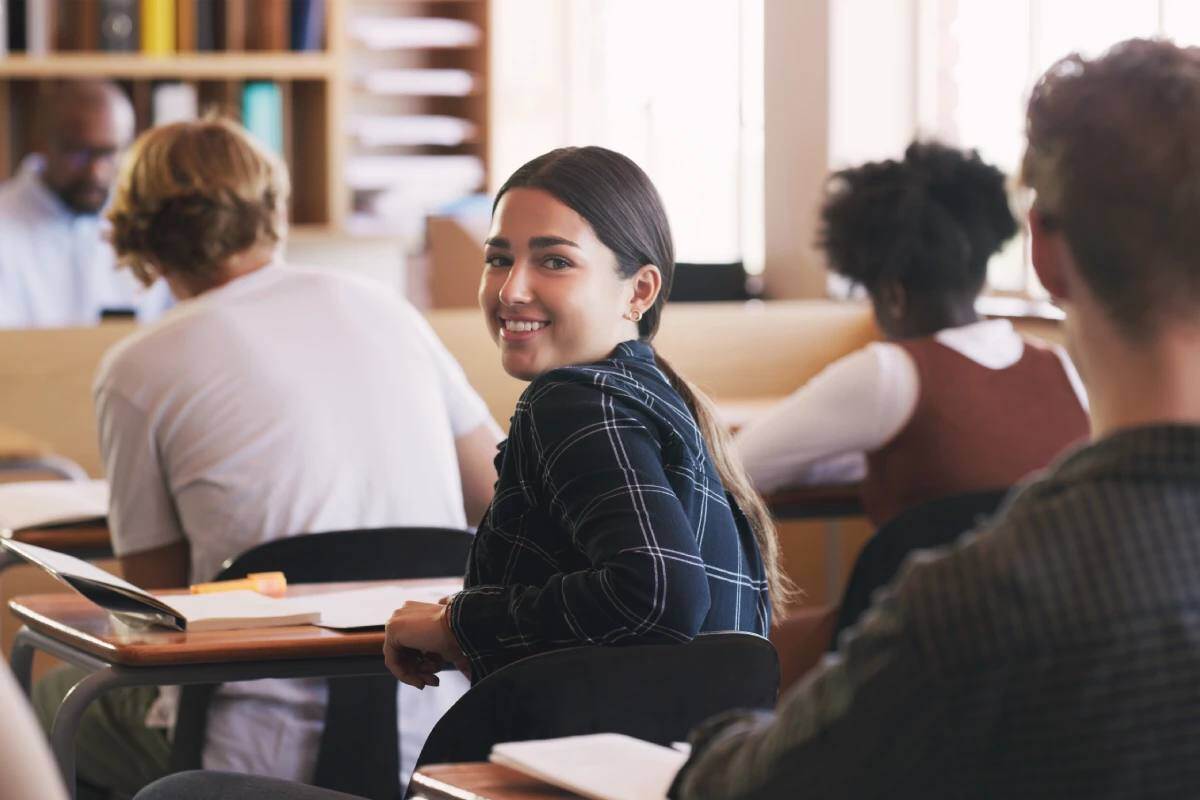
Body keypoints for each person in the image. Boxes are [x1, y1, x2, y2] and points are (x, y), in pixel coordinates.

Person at [670, 38, 1200, 798]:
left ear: (1045, 253)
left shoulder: (976, 607)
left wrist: (713, 741)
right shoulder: (1040, 378)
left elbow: (738, 790)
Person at [32, 118, 503, 799]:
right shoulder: (387, 311)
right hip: (434, 729)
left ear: (135, 232)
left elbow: (158, 608)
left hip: (240, 747)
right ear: (272, 209)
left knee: (46, 697)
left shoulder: (137, 368)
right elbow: (498, 496)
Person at [382, 145, 790, 688]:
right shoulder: (657, 396)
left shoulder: (572, 402)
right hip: (672, 762)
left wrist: (458, 624)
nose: (511, 289)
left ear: (639, 291)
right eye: (499, 258)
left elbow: (660, 596)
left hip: (584, 760)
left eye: (555, 261)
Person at [735, 141, 1089, 526]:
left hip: (936, 587)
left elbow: (735, 464)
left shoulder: (889, 372)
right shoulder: (1062, 367)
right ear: (980, 271)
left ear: (892, 295)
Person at [0, 79, 170, 327]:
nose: (96, 171)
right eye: (79, 152)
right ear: (42, 143)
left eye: (109, 153)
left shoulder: (151, 222)